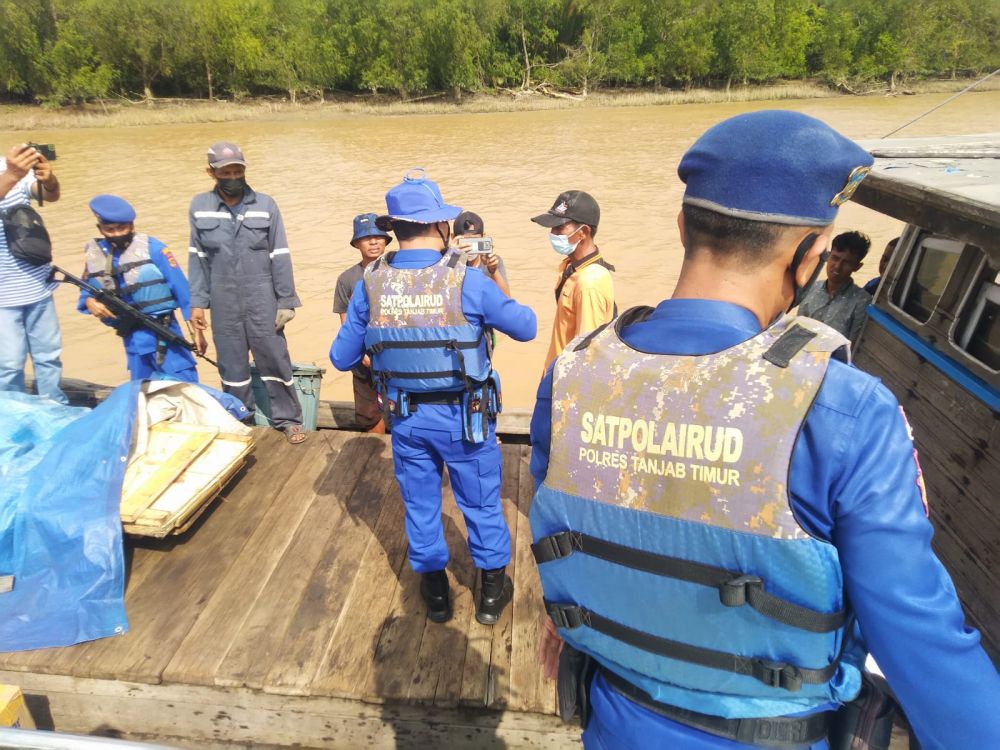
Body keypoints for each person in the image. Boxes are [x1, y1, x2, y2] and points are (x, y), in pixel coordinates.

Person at [529, 111, 1000, 750]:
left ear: (680, 228)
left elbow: (565, 535)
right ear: (809, 257)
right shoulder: (844, 409)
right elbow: (922, 639)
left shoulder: (572, 377)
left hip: (613, 721)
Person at [330, 169, 536, 625]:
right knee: (481, 503)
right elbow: (526, 327)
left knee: (421, 505)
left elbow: (341, 356)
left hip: (406, 421)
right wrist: (492, 279)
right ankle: (489, 596)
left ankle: (436, 594)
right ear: (441, 226)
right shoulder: (468, 280)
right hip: (465, 419)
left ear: (393, 229)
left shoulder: (370, 283)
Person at [188, 141, 307, 443]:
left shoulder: (265, 205)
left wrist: (286, 301)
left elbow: (280, 254)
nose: (233, 176)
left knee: (275, 360)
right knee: (232, 368)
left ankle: (289, 420)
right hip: (223, 302)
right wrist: (197, 305)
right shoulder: (200, 208)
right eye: (225, 171)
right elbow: (197, 259)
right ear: (211, 172)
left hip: (262, 300)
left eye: (237, 170)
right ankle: (243, 421)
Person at [78, 195, 201, 383]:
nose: (117, 234)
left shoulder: (154, 249)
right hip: (132, 339)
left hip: (165, 334)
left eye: (122, 228)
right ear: (100, 229)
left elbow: (183, 290)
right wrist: (89, 301)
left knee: (187, 388)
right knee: (142, 392)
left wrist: (197, 332)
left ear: (132, 226)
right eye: (109, 230)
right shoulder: (95, 255)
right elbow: (86, 287)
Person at [0, 143, 66, 403]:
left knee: (49, 356)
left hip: (37, 285)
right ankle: (12, 417)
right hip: (3, 296)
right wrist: (12, 176)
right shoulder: (11, 171)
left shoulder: (9, 165)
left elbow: (50, 195)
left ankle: (54, 406)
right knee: (9, 364)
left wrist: (49, 180)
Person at [531, 191, 615, 370]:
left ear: (583, 232)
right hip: (554, 376)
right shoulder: (571, 266)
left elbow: (587, 354)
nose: (552, 233)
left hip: (565, 386)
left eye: (559, 228)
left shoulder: (589, 283)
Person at [334, 212, 392, 433]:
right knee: (369, 414)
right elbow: (346, 321)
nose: (374, 242)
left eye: (378, 237)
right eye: (367, 238)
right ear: (357, 243)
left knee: (402, 407)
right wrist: (362, 354)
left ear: (386, 241)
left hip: (395, 352)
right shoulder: (347, 279)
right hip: (363, 357)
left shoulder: (398, 271)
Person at [797, 231, 872, 342]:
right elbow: (797, 329)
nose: (837, 266)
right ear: (828, 256)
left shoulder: (862, 301)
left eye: (846, 262)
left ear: (857, 267)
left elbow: (853, 346)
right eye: (835, 258)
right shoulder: (811, 288)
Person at [453, 210, 511, 296]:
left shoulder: (494, 261)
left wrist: (493, 271)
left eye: (474, 241)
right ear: (453, 238)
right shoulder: (447, 260)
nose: (469, 247)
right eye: (465, 242)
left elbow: (507, 299)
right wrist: (453, 258)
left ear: (483, 237)